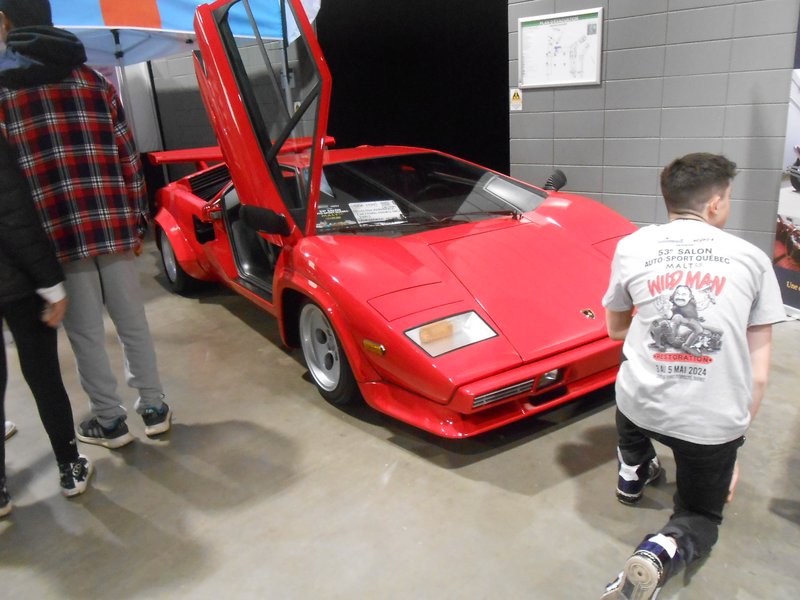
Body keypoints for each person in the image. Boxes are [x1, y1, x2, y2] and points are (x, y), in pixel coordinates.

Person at [600, 153, 785, 599]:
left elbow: (614, 328)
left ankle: (632, 469)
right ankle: (664, 548)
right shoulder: (751, 259)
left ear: (669, 200)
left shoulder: (632, 246)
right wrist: (732, 445)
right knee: (702, 514)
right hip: (707, 425)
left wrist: (656, 327)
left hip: (640, 406)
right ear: (717, 202)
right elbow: (758, 376)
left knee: (629, 384)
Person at [0, 0, 171, 450]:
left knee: (86, 333)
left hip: (52, 230)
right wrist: (137, 222)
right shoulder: (94, 80)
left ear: (6, 23)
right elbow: (128, 156)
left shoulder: (5, 90)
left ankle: (110, 421)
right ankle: (154, 408)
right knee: (132, 319)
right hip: (111, 222)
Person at [1, 133, 92, 517]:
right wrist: (51, 282)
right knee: (43, 374)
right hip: (16, 281)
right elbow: (13, 213)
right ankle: (70, 467)